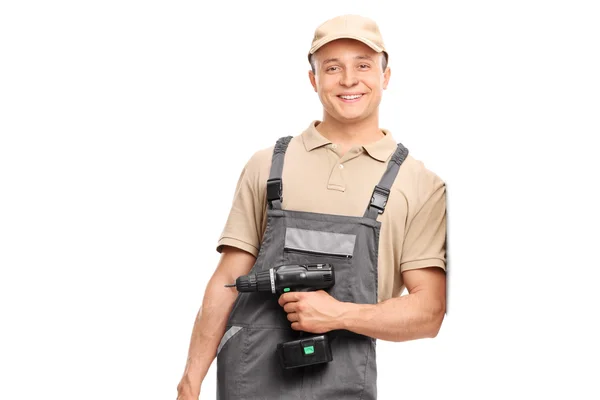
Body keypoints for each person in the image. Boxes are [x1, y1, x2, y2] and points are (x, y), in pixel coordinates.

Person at [176, 14, 447, 400]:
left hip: (344, 386)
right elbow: (226, 283)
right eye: (332, 67)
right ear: (313, 79)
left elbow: (430, 311)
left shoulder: (420, 184)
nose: (349, 80)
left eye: (363, 65)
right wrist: (189, 383)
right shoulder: (269, 165)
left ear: (385, 77)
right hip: (247, 381)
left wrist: (338, 314)